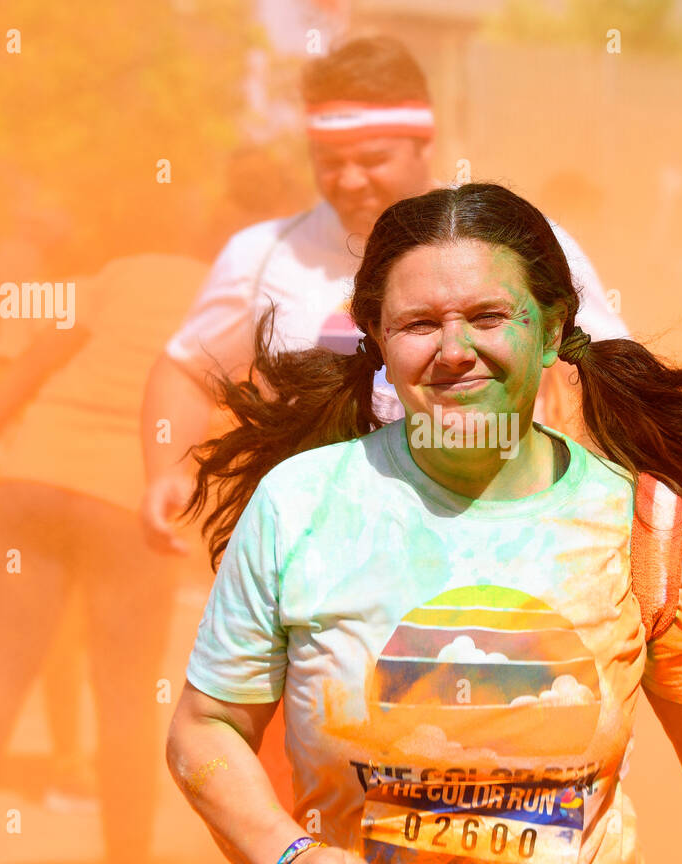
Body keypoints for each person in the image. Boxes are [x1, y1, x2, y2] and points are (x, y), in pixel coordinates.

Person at [165, 182, 682, 864]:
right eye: (419, 324)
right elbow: (207, 728)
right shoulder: (299, 505)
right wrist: (292, 856)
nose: (454, 349)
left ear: (552, 329)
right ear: (377, 337)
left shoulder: (643, 526)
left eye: (489, 316)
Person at [139, 35, 629, 557]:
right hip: (322, 550)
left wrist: (618, 501)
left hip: (500, 540)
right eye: (329, 160)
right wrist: (167, 472)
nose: (348, 179)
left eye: (372, 159)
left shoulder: (518, 242)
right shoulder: (260, 256)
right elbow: (187, 368)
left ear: (424, 145)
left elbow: (604, 369)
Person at [0, 254, 209, 864]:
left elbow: (39, 358)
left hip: (34, 476)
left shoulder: (125, 272)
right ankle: (127, 854)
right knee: (126, 691)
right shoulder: (238, 287)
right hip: (127, 499)